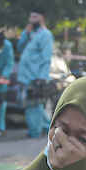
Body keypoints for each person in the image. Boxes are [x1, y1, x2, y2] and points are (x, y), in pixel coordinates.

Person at [16, 9, 54, 137]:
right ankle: (48, 129)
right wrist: (25, 34)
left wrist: (42, 77)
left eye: (34, 17)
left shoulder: (46, 35)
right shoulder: (29, 34)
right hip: (25, 76)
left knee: (34, 104)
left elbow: (46, 57)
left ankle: (35, 133)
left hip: (35, 75)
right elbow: (19, 48)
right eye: (30, 17)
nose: (31, 20)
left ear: (42, 18)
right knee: (31, 105)